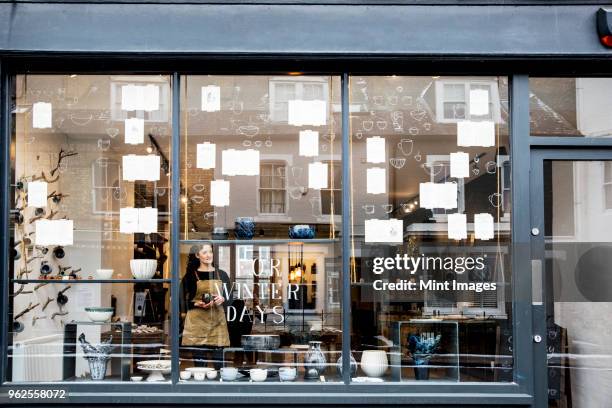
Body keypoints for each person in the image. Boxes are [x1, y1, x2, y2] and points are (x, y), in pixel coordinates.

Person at [180, 243, 232, 368]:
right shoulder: (190, 276)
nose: (209, 255)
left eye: (210, 252)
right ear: (197, 255)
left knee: (220, 366)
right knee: (200, 367)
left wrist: (223, 299)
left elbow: (231, 299)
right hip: (196, 325)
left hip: (217, 324)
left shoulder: (222, 274)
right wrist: (195, 303)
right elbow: (179, 300)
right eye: (205, 252)